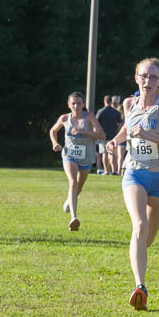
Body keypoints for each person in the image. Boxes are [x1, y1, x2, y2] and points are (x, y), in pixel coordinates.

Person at [106, 58, 159, 311]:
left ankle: (139, 267)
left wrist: (149, 135)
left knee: (147, 239)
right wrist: (114, 141)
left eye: (153, 77)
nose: (148, 81)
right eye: (144, 76)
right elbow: (128, 130)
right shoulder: (129, 104)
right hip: (135, 174)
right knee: (139, 226)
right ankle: (139, 286)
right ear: (136, 78)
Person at [49, 92, 104, 231]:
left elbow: (102, 135)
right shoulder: (64, 118)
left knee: (78, 187)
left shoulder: (89, 117)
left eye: (79, 103)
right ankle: (74, 218)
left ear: (83, 104)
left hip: (86, 158)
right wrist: (55, 143)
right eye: (73, 103)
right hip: (69, 155)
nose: (76, 106)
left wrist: (84, 131)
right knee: (73, 182)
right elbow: (53, 131)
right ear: (68, 105)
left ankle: (69, 201)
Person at [96, 95, 123, 175]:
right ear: (111, 101)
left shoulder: (101, 111)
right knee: (113, 154)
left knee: (104, 153)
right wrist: (118, 132)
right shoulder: (116, 112)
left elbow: (96, 123)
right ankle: (114, 171)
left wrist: (98, 132)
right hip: (113, 135)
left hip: (103, 136)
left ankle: (106, 171)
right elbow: (120, 124)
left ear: (104, 101)